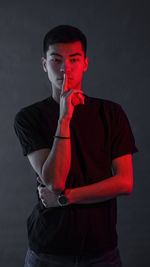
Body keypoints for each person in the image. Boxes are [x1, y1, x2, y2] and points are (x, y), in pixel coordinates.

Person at [14, 25, 138, 267]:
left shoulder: (111, 113)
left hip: (102, 250)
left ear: (85, 64)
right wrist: (65, 117)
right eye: (56, 59)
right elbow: (55, 181)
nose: (65, 68)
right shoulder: (29, 118)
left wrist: (65, 198)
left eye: (74, 59)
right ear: (44, 64)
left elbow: (124, 182)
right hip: (48, 250)